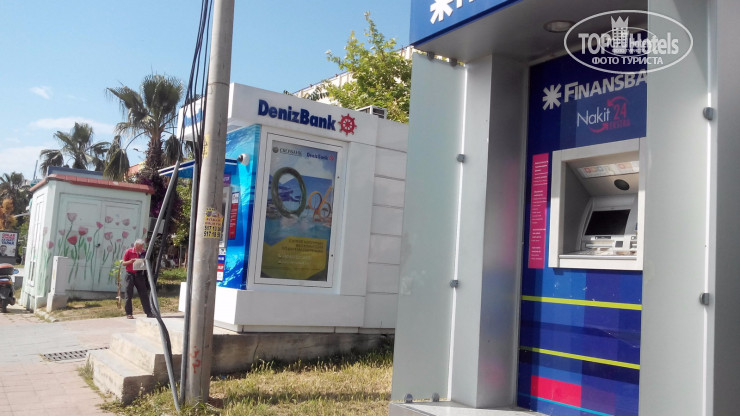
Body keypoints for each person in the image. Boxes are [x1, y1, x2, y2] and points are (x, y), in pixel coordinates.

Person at [121, 239, 154, 319]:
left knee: (144, 294)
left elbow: (147, 262)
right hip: (130, 274)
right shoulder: (129, 251)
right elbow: (123, 263)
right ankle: (129, 313)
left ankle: (148, 312)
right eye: (139, 247)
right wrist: (130, 262)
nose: (141, 248)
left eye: (142, 246)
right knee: (128, 294)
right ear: (135, 245)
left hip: (139, 275)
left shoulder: (143, 253)